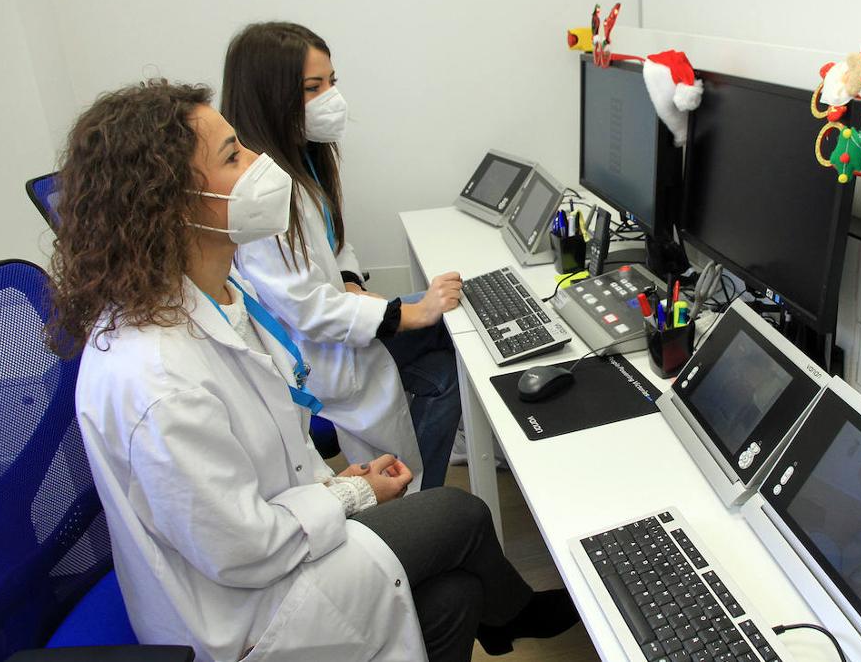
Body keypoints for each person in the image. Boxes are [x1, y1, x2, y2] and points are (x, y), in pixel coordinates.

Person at [48, 80, 577, 662]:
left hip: (277, 537)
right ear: (170, 204)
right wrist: (352, 492)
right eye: (233, 156)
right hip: (247, 610)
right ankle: (517, 615)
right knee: (461, 514)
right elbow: (242, 550)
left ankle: (501, 618)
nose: (259, 163)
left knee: (457, 597)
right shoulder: (156, 379)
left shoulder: (219, 292)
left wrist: (333, 488)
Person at [221, 21, 461, 489]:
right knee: (448, 341)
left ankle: (432, 483)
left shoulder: (304, 160)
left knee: (454, 339)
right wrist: (408, 314)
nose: (331, 98)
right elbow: (306, 308)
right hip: (318, 355)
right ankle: (416, 499)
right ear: (271, 96)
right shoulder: (262, 194)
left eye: (332, 82)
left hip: (340, 327)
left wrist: (350, 280)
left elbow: (334, 244)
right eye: (313, 88)